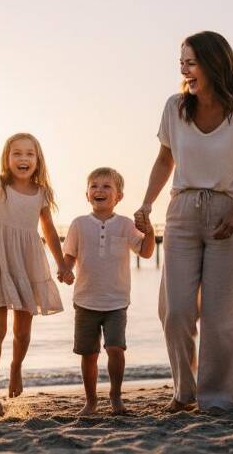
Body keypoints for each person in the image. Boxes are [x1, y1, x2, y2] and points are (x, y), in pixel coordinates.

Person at [134, 31, 233, 412]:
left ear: (212, 62)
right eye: (181, 63)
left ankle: (217, 400)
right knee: (175, 310)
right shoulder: (175, 107)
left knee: (222, 317)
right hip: (182, 212)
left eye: (190, 62)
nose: (184, 69)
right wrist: (146, 203)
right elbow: (164, 160)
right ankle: (184, 389)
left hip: (229, 213)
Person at [0, 132, 70, 416]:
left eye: (29, 154)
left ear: (38, 159)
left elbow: (49, 231)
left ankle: (16, 367)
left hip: (28, 262)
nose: (23, 159)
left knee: (22, 332)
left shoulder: (41, 193)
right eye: (17, 153)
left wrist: (62, 263)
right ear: (7, 159)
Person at [62, 167, 155, 415]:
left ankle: (115, 397)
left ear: (119, 196)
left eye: (106, 186)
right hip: (85, 300)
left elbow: (146, 252)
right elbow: (69, 254)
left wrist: (150, 230)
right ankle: (91, 401)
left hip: (116, 301)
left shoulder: (125, 225)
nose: (99, 190)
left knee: (116, 348)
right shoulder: (79, 224)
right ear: (87, 194)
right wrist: (66, 270)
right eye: (94, 186)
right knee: (88, 354)